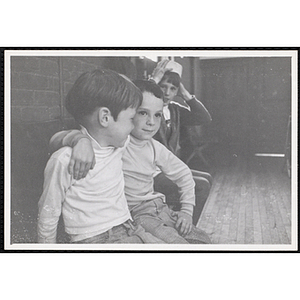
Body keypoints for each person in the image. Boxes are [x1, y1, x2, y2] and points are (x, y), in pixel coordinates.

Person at [50, 80, 211, 244]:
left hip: (158, 205)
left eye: (157, 115)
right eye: (142, 113)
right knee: (179, 244)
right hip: (135, 214)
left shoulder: (154, 147)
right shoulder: (116, 143)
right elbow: (56, 139)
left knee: (203, 240)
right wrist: (79, 140)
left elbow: (183, 173)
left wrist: (186, 211)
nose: (151, 122)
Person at [38, 69, 165, 244]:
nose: (134, 125)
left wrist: (78, 138)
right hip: (95, 239)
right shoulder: (65, 159)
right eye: (131, 118)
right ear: (105, 117)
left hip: (129, 227)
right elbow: (48, 211)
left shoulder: (118, 144)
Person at [149, 59, 213, 225]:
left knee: (207, 178)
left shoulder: (174, 109)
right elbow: (134, 99)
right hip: (150, 171)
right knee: (201, 185)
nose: (167, 92)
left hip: (167, 167)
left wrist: (185, 94)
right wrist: (153, 82)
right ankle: (187, 228)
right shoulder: (146, 109)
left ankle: (184, 225)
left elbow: (204, 118)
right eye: (163, 87)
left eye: (172, 88)